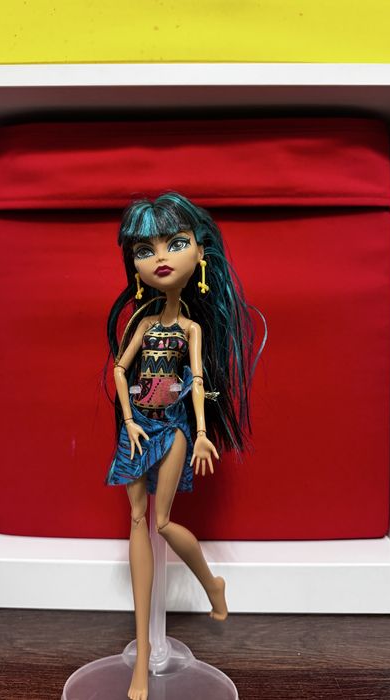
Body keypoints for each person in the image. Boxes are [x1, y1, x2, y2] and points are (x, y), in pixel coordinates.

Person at [103, 192, 266, 700]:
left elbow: (196, 382)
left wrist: (199, 433)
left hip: (172, 425)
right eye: (144, 250)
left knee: (163, 521)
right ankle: (143, 655)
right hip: (136, 426)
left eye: (175, 243)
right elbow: (119, 369)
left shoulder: (191, 328)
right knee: (136, 519)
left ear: (200, 252)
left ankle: (212, 584)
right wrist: (127, 420)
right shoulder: (143, 324)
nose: (160, 258)